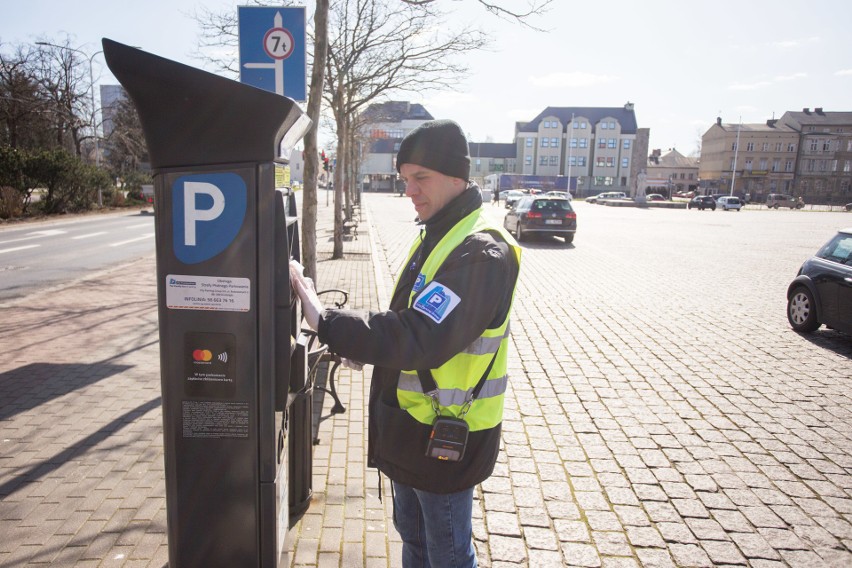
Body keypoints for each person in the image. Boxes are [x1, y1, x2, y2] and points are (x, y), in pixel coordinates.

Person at [290, 119, 521, 568]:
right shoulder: (436, 233)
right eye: (404, 179)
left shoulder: (481, 252)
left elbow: (419, 334)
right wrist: (359, 346)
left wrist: (327, 322)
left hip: (446, 440)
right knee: (415, 544)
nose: (410, 190)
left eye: (421, 178)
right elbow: (401, 327)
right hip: (410, 431)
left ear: (458, 176)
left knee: (448, 555)